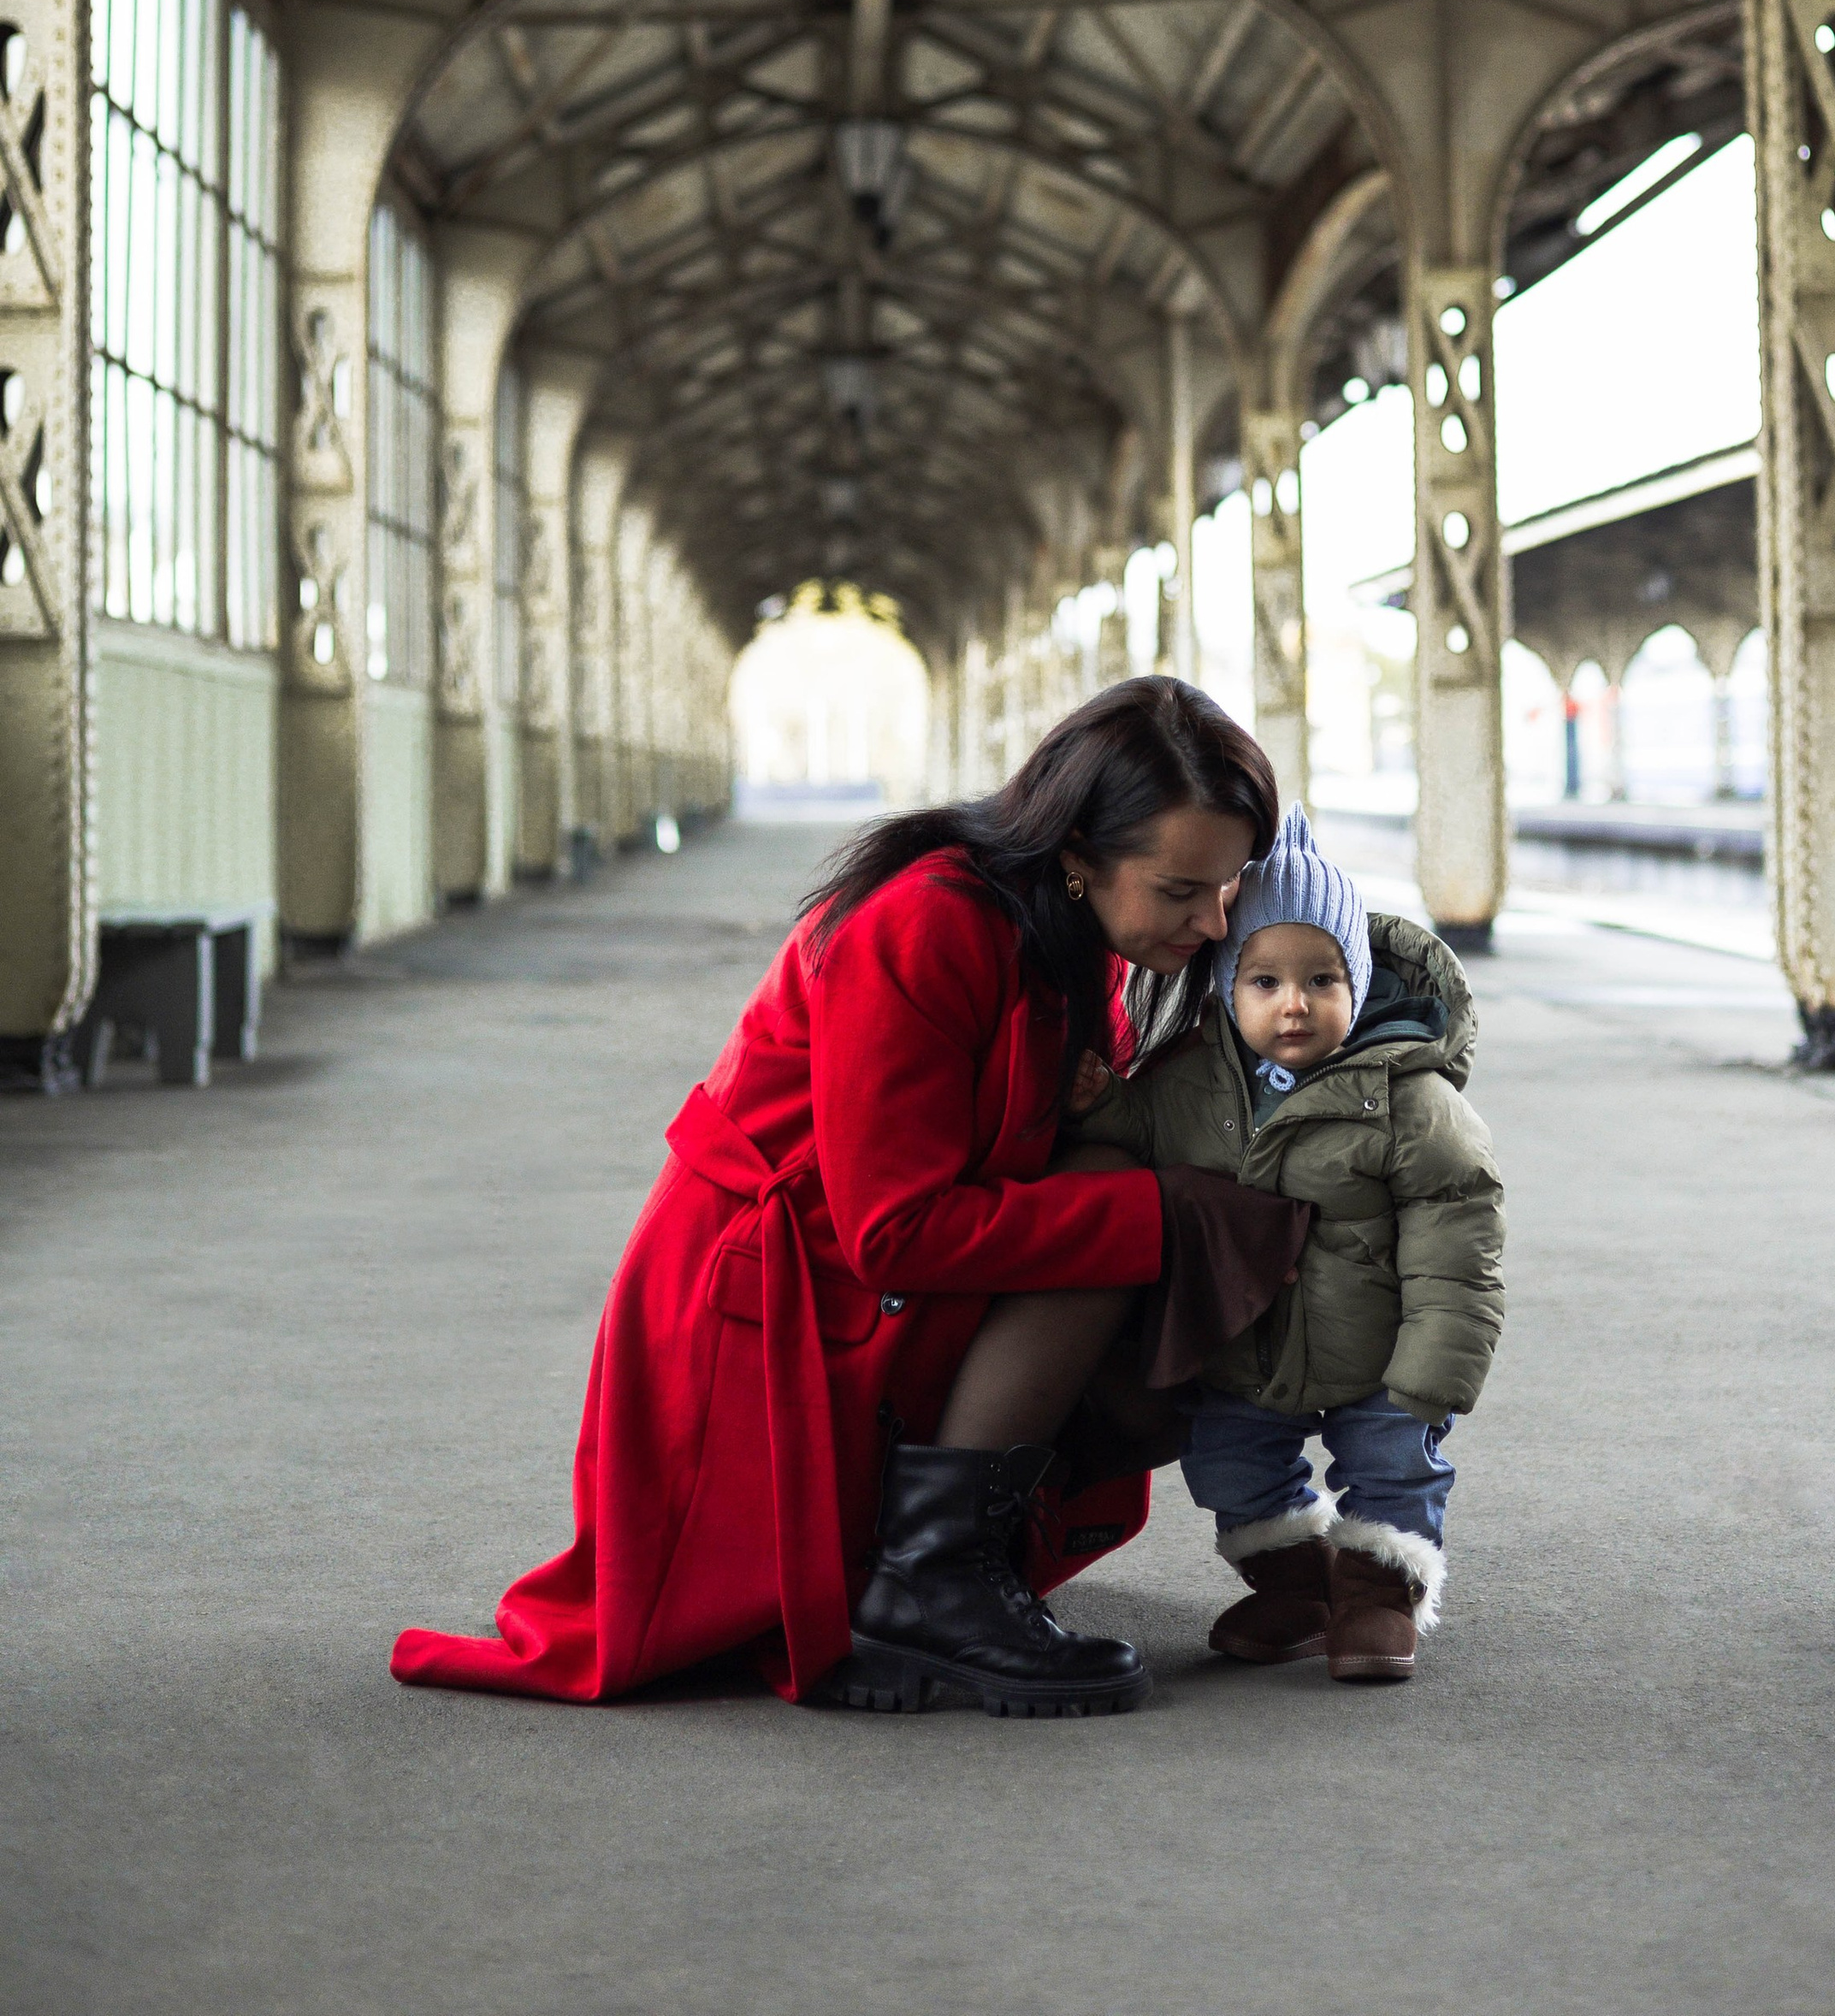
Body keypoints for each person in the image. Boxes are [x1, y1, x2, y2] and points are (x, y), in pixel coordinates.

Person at [390, 678, 1297, 1719]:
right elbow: (894, 1232)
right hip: (762, 1313)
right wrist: (1169, 1215)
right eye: (1180, 890)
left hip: (871, 1292)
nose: (1212, 921)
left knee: (1177, 1278)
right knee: (1133, 1213)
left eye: (1227, 888)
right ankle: (933, 1582)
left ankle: (935, 1567)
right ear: (1077, 854)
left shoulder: (1066, 932)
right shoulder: (924, 923)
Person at [1071, 802, 1505, 1684]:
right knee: (1229, 1465)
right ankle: (1295, 1584)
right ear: (1227, 988)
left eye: (1322, 979)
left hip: (1377, 1352)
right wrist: (1102, 1102)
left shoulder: (1409, 1100)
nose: (1294, 1004)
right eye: (1264, 981)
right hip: (1244, 1344)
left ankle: (1379, 1594)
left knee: (1391, 1468)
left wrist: (1435, 1368)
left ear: (1359, 984)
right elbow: (1144, 1129)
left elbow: (1459, 1241)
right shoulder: (1191, 1083)